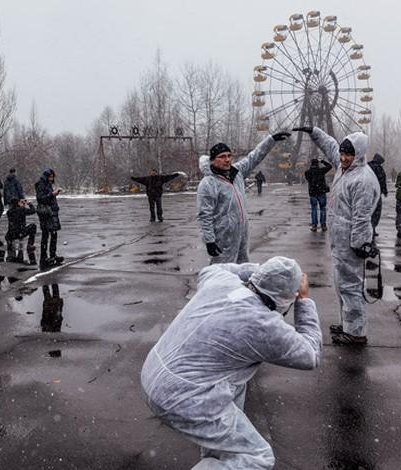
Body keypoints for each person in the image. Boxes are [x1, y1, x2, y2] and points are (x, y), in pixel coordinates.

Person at [141, 258, 321, 469]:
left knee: (228, 439)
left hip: (154, 372)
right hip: (184, 396)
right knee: (256, 457)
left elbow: (212, 268)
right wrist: (304, 300)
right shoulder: (264, 325)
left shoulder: (222, 282)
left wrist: (259, 271)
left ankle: (216, 461)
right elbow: (311, 355)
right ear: (286, 299)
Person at [294, 126, 380, 346]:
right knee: (342, 284)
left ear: (358, 154)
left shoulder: (362, 180)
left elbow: (362, 218)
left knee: (351, 287)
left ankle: (356, 332)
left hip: (352, 243)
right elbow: (330, 145)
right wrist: (314, 132)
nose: (342, 157)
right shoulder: (345, 168)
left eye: (348, 154)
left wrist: (360, 243)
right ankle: (347, 325)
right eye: (342, 153)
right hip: (341, 241)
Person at [196, 131, 291, 263]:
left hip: (242, 233)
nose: (227, 159)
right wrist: (209, 240)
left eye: (229, 156)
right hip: (223, 236)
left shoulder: (237, 172)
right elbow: (204, 215)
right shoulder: (208, 183)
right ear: (212, 160)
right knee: (222, 272)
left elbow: (254, 157)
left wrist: (271, 140)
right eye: (222, 157)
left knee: (242, 268)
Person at [35, 167, 63, 268]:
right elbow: (41, 198)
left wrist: (52, 194)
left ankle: (52, 255)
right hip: (46, 212)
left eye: (52, 177)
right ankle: (45, 256)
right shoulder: (41, 184)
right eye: (50, 177)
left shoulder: (47, 184)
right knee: (47, 234)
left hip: (51, 211)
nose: (51, 179)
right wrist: (52, 194)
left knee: (52, 233)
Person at [5, 198, 38, 263]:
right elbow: (33, 211)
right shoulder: (21, 210)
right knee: (33, 226)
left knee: (10, 236)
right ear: (17, 203)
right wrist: (29, 203)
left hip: (11, 234)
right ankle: (30, 244)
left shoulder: (9, 212)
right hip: (20, 232)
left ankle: (10, 249)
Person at [304, 158, 332, 232]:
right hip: (321, 192)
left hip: (313, 193)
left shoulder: (307, 172)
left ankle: (314, 225)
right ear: (317, 163)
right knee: (323, 208)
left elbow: (308, 179)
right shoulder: (321, 171)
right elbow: (329, 166)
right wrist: (322, 161)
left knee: (314, 209)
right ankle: (323, 225)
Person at [367, 153, 388, 236]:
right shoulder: (379, 168)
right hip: (376, 193)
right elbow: (382, 180)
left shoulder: (367, 166)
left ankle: (367, 228)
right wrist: (385, 191)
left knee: (367, 211)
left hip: (366, 192)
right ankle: (373, 228)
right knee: (376, 211)